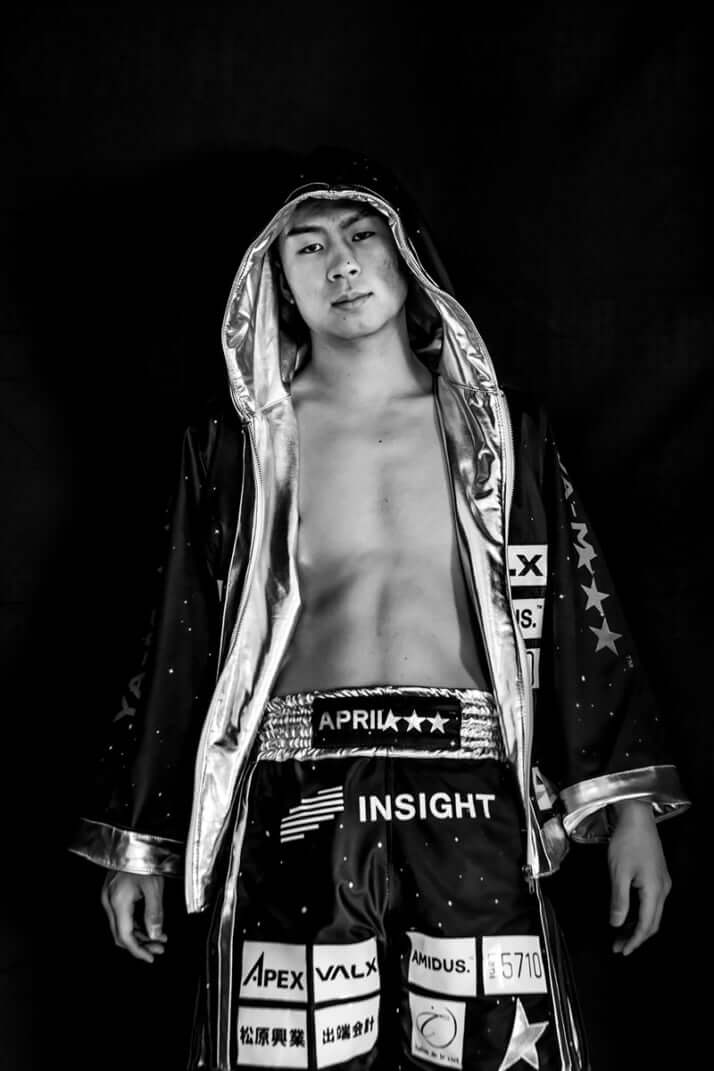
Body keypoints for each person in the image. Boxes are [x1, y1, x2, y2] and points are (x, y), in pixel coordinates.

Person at [69, 147, 690, 1070]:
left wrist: (631, 810)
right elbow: (177, 642)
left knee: (494, 1049)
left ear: (407, 254)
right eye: (309, 247)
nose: (342, 266)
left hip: (472, 793)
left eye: (363, 236)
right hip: (299, 797)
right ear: (277, 281)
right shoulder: (234, 452)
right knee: (287, 1050)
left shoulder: (504, 442)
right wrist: (141, 845)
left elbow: (576, 612)